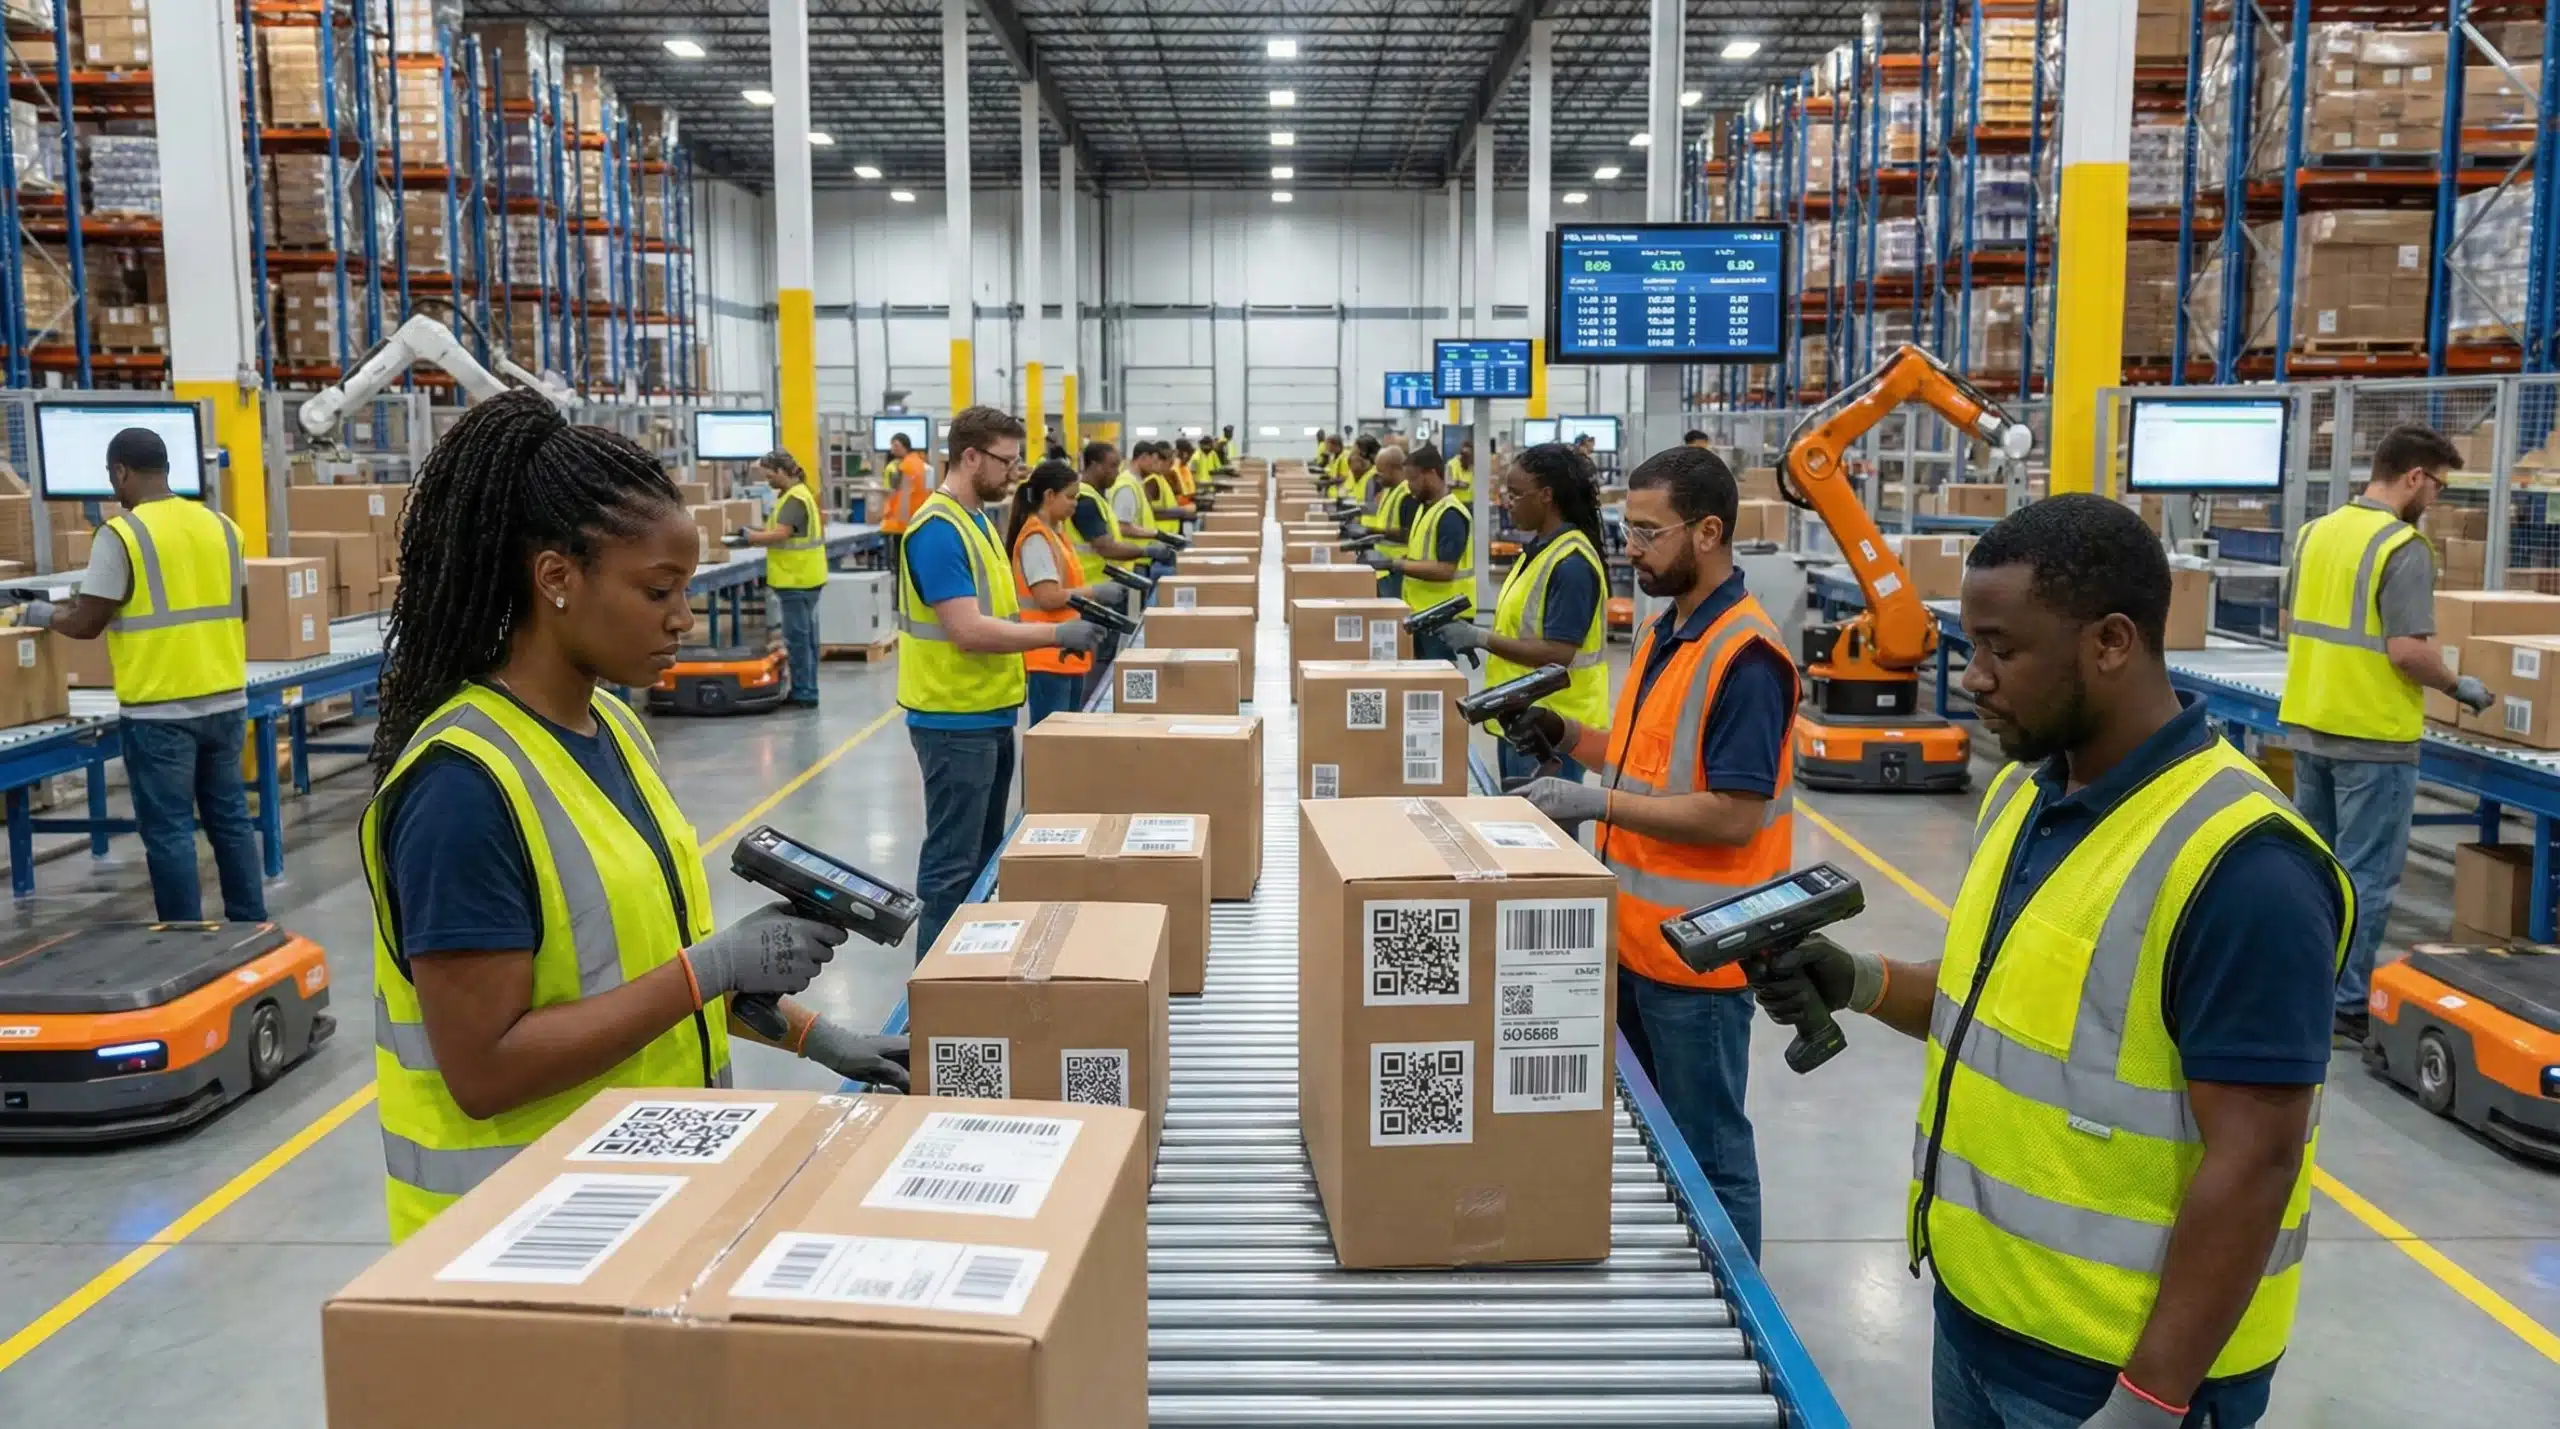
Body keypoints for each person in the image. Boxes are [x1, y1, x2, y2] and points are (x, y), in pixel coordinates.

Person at [1758, 494, 2349, 1429]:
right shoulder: (2025, 795)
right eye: (1970, 644)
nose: (1975, 677)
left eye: (2003, 648)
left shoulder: (2247, 869)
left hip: (2112, 1377)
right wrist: (1864, 980)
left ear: (2112, 642)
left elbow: (2258, 1157)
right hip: (1980, 1320)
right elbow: (2003, 1012)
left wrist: (2149, 1402)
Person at [359, 392, 908, 1243]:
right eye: (659, 589)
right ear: (556, 578)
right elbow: (485, 1069)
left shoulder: (612, 728)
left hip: (639, 1203)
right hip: (516, 1242)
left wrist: (818, 1038)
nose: (684, 617)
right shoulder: (461, 790)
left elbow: (634, 971)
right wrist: (714, 967)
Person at [1505, 443, 1798, 1260]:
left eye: (1646, 532)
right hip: (1637, 943)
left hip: (1700, 958)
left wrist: (1591, 800)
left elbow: (1732, 815)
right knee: (1659, 1142)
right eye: (1626, 530)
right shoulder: (1671, 630)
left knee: (1711, 1154)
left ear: (1708, 532)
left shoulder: (1746, 655)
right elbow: (1645, 762)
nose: (1628, 550)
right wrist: (1568, 736)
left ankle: (1737, 1308)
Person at [2279, 424, 2487, 1041]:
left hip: (2311, 723)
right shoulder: (2404, 547)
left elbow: (2294, 618)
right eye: (2439, 487)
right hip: (2374, 735)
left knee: (2314, 869)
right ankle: (2345, 1005)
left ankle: (2304, 985)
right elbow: (2406, 653)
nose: (2437, 501)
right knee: (2365, 875)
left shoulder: (2316, 532)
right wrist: (2458, 686)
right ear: (2414, 478)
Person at [25, 427, 265, 925]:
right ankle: (251, 927)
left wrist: (39, 616)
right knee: (232, 823)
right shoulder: (222, 526)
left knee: (171, 831)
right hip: (225, 700)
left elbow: (87, 622)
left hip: (160, 711)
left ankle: (183, 938)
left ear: (120, 472)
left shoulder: (122, 532)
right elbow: (239, 609)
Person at [901, 407, 1100, 956]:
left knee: (984, 858)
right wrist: (1057, 638)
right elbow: (966, 630)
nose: (1015, 474)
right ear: (970, 457)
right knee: (952, 865)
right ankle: (935, 1002)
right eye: (1006, 462)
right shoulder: (938, 531)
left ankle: (969, 973)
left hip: (987, 713)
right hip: (952, 720)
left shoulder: (978, 523)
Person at [1442, 442, 1608, 784]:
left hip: (1552, 725)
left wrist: (1481, 637)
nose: (1508, 502)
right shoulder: (1536, 552)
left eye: (1516, 494)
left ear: (1546, 495)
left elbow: (1558, 654)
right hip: (1520, 716)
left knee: (1545, 829)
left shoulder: (1571, 564)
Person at [1008, 459, 1124, 727]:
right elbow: (1047, 597)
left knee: (1063, 739)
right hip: (1047, 655)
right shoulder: (1036, 538)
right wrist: (1095, 592)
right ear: (1049, 495)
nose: (1075, 504)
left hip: (1065, 651)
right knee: (1048, 742)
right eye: (1070, 497)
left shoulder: (1056, 534)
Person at [734, 449, 827, 707]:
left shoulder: (795, 498)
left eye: (770, 475)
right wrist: (758, 533)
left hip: (796, 579)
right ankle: (806, 688)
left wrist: (750, 538)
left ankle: (804, 693)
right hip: (806, 576)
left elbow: (782, 534)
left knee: (798, 640)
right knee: (806, 638)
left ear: (782, 472)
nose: (768, 481)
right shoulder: (797, 494)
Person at [1376, 444, 1472, 657]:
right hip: (1423, 611)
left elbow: (1446, 570)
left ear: (1431, 474)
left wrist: (1398, 565)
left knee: (1439, 682)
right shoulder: (1424, 507)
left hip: (1443, 614)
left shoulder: (1451, 515)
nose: (1408, 487)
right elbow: (1421, 554)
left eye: (1412, 479)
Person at [879, 431, 930, 580]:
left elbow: (898, 492)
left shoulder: (905, 466)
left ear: (905, 446)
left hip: (902, 523)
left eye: (895, 445)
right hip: (916, 520)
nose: (892, 449)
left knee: (903, 566)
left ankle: (902, 600)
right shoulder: (919, 463)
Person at [1138, 442, 1194, 535]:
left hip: (1169, 534)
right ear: (1159, 461)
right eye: (1169, 463)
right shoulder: (1152, 481)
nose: (1171, 467)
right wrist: (1183, 511)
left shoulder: (1161, 478)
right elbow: (1150, 512)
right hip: (1161, 536)